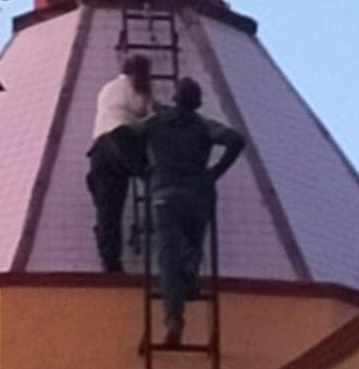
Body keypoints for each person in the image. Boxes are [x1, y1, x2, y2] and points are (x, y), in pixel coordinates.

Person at [128, 77, 246, 346]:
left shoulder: (156, 123)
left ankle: (174, 317)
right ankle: (191, 278)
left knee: (169, 257)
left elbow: (118, 138)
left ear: (175, 98)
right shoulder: (202, 125)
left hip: (165, 195)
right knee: (193, 244)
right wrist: (215, 172)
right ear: (196, 103)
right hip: (198, 195)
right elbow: (236, 139)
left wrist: (140, 169)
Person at [87, 55, 152, 272]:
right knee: (152, 175)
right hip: (121, 140)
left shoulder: (108, 88)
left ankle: (110, 262)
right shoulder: (135, 88)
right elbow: (142, 112)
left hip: (98, 148)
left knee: (108, 210)